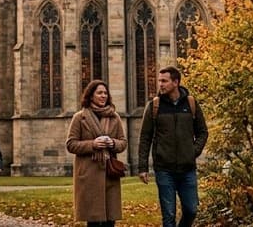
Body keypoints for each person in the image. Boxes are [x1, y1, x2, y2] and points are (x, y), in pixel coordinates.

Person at [137, 66, 208, 227]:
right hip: (164, 169)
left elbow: (203, 132)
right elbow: (145, 137)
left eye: (164, 81)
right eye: (159, 81)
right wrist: (142, 167)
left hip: (187, 169)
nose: (160, 84)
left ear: (175, 82)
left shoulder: (190, 103)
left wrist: (193, 152)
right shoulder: (154, 106)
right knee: (168, 216)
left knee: (191, 210)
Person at [65, 79, 127, 227]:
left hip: (109, 173)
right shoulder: (80, 117)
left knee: (110, 219)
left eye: (105, 93)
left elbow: (123, 142)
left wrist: (112, 143)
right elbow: (71, 144)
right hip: (89, 174)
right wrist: (92, 144)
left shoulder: (114, 117)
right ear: (91, 95)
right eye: (99, 93)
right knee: (93, 220)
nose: (103, 96)